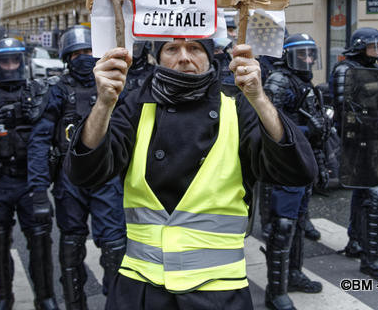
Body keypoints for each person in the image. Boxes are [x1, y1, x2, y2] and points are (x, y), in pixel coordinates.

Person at [65, 38, 316, 308]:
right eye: (172, 49)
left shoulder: (237, 105)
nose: (184, 57)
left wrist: (259, 98)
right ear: (157, 58)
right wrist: (103, 103)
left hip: (219, 291)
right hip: (140, 289)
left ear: (209, 56)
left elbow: (298, 170)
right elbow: (85, 173)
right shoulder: (135, 104)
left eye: (195, 48)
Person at [28, 25, 126, 310]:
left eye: (88, 52)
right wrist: (37, 191)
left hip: (106, 176)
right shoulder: (56, 90)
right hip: (69, 179)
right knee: (70, 247)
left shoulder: (113, 86)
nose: (83, 58)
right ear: (66, 58)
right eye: (76, 54)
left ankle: (117, 303)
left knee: (114, 248)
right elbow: (38, 142)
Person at [0, 38, 59, 310]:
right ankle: (2, 297)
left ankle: (45, 297)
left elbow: (50, 134)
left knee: (40, 238)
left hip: (28, 181)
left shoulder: (36, 90)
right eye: (4, 62)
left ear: (22, 63)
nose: (10, 67)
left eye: (14, 61)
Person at [260, 34, 327, 310]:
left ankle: (295, 274)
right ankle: (275, 291)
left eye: (311, 54)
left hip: (304, 161)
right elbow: (267, 122)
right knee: (283, 226)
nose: (308, 59)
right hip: (283, 164)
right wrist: (304, 132)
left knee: (299, 222)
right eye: (302, 55)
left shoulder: (305, 81)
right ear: (288, 55)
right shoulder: (279, 80)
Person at [329, 28, 378, 282]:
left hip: (374, 137)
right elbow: (345, 107)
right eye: (372, 47)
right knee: (375, 193)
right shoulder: (346, 70)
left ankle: (356, 241)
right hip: (356, 140)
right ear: (359, 47)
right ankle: (372, 261)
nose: (377, 52)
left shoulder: (376, 68)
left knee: (362, 190)